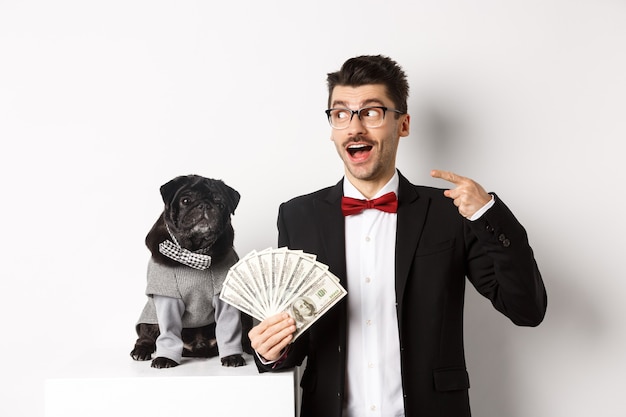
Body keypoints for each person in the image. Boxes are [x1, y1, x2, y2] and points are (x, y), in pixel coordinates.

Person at [248, 55, 547, 417]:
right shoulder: (298, 216)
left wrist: (488, 214)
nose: (354, 127)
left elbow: (527, 309)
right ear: (332, 128)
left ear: (402, 124)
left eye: (371, 112)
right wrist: (269, 350)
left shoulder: (449, 213)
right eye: (341, 114)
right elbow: (298, 340)